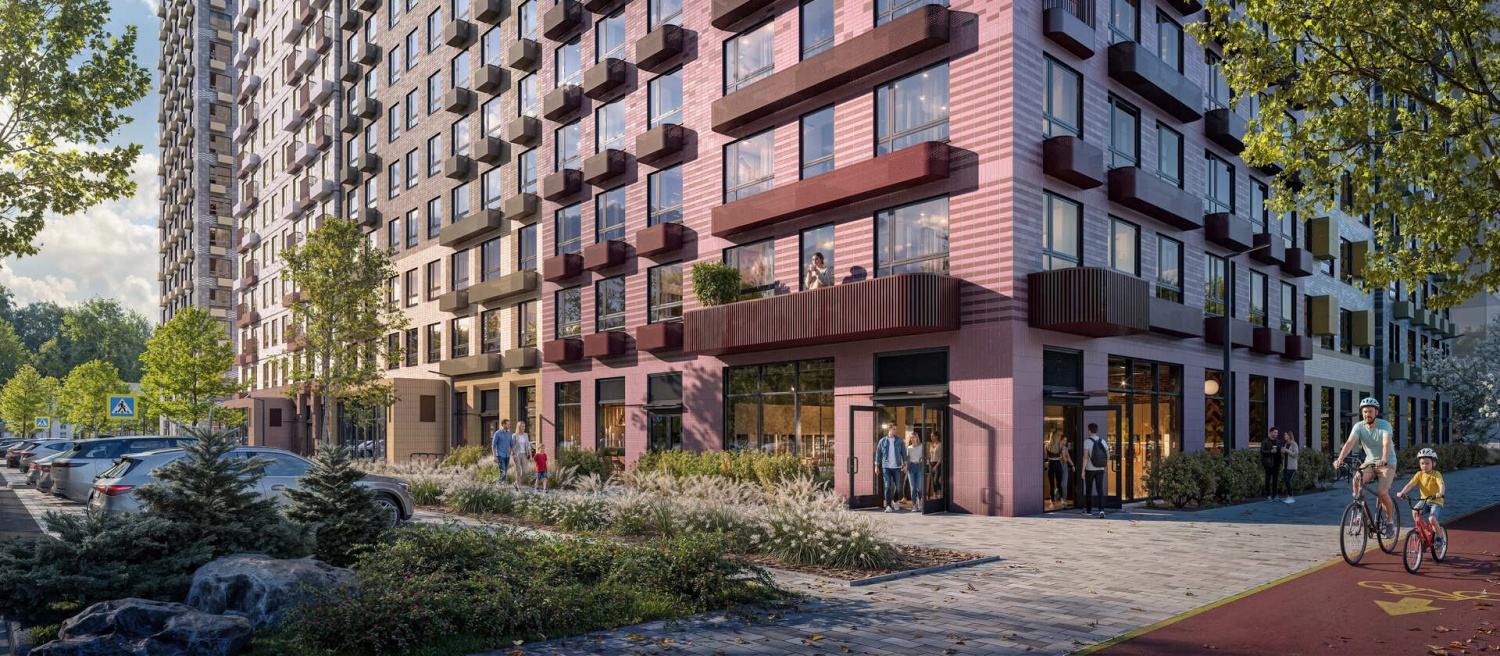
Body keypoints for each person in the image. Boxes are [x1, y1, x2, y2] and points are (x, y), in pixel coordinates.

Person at [1333, 398, 1399, 538]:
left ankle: (1390, 523)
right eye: (1364, 411)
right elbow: (1350, 443)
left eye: (1370, 411)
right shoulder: (1359, 426)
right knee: (1357, 479)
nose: (1367, 414)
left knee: (1382, 493)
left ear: (1376, 412)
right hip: (1370, 462)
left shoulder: (1385, 425)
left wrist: (1384, 459)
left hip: (1387, 463)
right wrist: (1340, 459)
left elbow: (1386, 443)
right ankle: (1360, 511)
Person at [1397, 447, 1445, 550]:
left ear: (1433, 463)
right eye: (1422, 463)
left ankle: (1439, 537)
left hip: (1436, 501)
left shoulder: (1436, 474)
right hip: (1424, 501)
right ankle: (1425, 533)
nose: (1424, 466)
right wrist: (1402, 493)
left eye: (1427, 463)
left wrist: (1440, 493)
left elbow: (1441, 484)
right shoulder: (1419, 474)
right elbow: (1410, 484)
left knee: (1432, 519)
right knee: (1415, 512)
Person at [875, 425, 907, 512]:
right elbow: (878, 454)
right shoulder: (882, 441)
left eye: (896, 429)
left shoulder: (899, 440)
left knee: (898, 487)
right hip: (886, 467)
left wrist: (905, 464)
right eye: (894, 429)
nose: (895, 431)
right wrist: (876, 466)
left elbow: (904, 453)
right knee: (887, 486)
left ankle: (895, 501)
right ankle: (888, 506)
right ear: (889, 429)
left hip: (897, 467)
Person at [1081, 423, 1109, 518]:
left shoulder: (1087, 442)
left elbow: (1085, 457)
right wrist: (1105, 466)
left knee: (1089, 490)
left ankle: (1089, 510)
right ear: (1096, 430)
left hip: (1090, 469)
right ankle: (1101, 510)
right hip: (1100, 469)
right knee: (1100, 489)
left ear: (1089, 430)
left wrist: (1083, 470)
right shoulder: (1102, 441)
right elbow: (1108, 455)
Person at [1045, 431, 1068, 505]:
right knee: (1059, 484)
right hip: (1058, 465)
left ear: (1050, 437)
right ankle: (1062, 500)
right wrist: (1061, 458)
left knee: (1052, 485)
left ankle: (1052, 501)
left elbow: (1045, 457)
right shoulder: (1060, 446)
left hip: (1051, 464)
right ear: (1057, 437)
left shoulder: (1047, 445)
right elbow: (1064, 458)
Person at [1260, 427, 1283, 502]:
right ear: (1271, 432)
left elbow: (1280, 451)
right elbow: (1262, 451)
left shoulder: (1278, 441)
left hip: (1277, 463)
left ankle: (1275, 495)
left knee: (1275, 480)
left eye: (1277, 433)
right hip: (1268, 463)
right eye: (1275, 432)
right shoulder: (1265, 441)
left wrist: (1281, 452)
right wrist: (1270, 451)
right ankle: (1268, 496)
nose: (1276, 434)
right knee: (1268, 479)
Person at [905, 431, 925, 513]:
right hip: (911, 467)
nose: (912, 439)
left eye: (913, 437)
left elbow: (925, 457)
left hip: (919, 466)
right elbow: (908, 459)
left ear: (917, 438)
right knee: (913, 487)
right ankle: (914, 505)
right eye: (911, 438)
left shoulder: (922, 446)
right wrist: (905, 467)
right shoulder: (909, 448)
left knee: (919, 487)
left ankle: (920, 501)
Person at [511, 420, 531, 492]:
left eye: (524, 426)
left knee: (525, 471)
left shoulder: (526, 435)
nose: (523, 428)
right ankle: (519, 486)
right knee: (518, 471)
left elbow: (528, 445)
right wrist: (513, 454)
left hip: (524, 454)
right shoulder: (514, 435)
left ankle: (516, 483)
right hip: (517, 455)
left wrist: (530, 455)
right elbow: (512, 446)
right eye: (522, 426)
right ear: (518, 427)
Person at [1281, 431, 1300, 504]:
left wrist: (1286, 450)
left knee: (1288, 480)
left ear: (1289, 436)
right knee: (1286, 481)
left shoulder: (1294, 444)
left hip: (1292, 466)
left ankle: (1291, 497)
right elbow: (1284, 456)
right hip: (1285, 466)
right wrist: (1282, 452)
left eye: (1285, 435)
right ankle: (1289, 496)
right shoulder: (1286, 444)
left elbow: (1295, 454)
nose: (1284, 436)